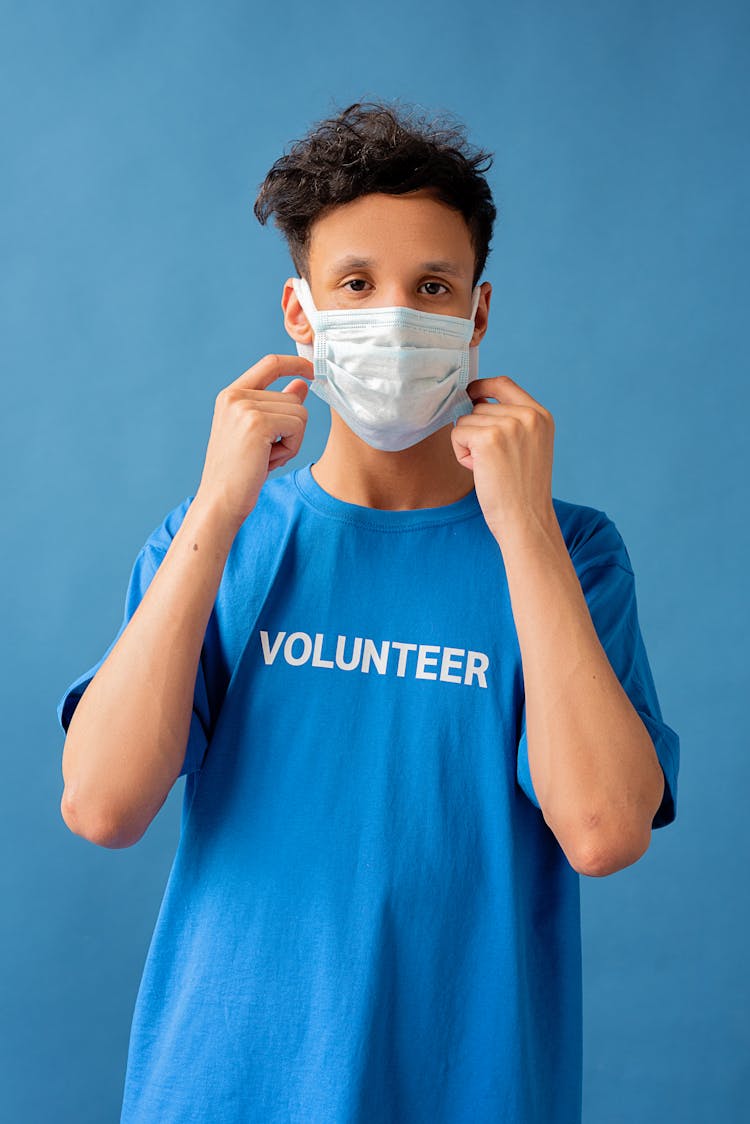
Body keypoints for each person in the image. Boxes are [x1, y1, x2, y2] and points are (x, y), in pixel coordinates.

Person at [56, 99, 680, 1124]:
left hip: (468, 1088)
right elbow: (101, 805)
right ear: (302, 313)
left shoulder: (574, 553)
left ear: (476, 314)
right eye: (357, 283)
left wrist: (520, 526)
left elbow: (606, 829)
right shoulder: (217, 540)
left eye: (432, 286)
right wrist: (221, 502)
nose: (395, 315)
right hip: (220, 1089)